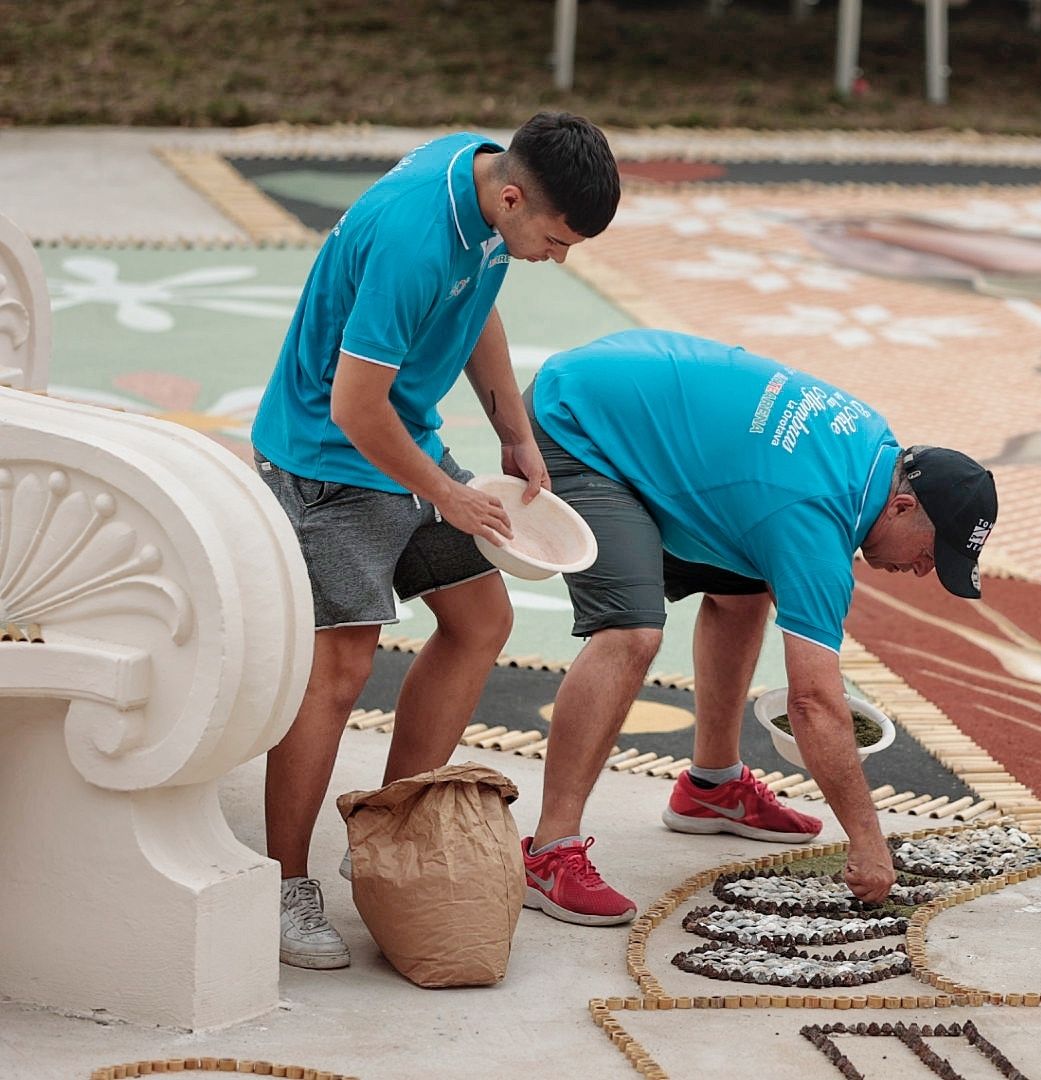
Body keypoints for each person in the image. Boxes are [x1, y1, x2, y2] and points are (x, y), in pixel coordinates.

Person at [250, 112, 620, 968]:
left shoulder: (484, 174)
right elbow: (351, 407)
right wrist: (446, 492)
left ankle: (382, 825)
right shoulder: (418, 236)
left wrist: (513, 428)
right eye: (558, 241)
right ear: (518, 198)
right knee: (339, 669)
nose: (556, 258)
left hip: (404, 444)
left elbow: (476, 303)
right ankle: (281, 886)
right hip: (328, 461)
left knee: (480, 620)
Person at [516, 329, 997, 925]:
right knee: (631, 631)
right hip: (576, 421)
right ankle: (549, 851)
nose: (924, 571)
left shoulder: (876, 449)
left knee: (741, 593)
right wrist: (868, 841)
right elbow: (814, 704)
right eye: (933, 553)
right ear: (900, 509)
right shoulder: (814, 526)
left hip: (634, 395)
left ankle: (711, 786)